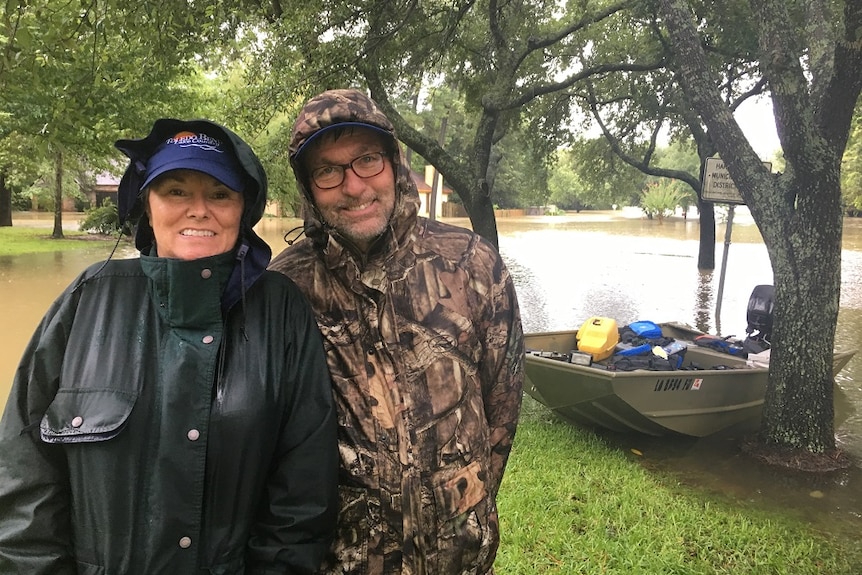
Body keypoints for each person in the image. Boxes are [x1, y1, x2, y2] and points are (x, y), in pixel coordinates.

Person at [0, 119, 338, 574]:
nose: (199, 210)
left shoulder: (281, 312)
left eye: (220, 194)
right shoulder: (88, 299)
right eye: (176, 191)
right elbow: (24, 478)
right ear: (147, 203)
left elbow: (303, 494)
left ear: (244, 209)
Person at [269, 89, 525, 575]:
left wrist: (470, 508)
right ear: (308, 186)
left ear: (395, 163)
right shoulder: (284, 289)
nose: (353, 186)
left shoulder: (471, 262)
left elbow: (503, 401)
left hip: (461, 560)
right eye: (327, 170)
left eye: (367, 160)